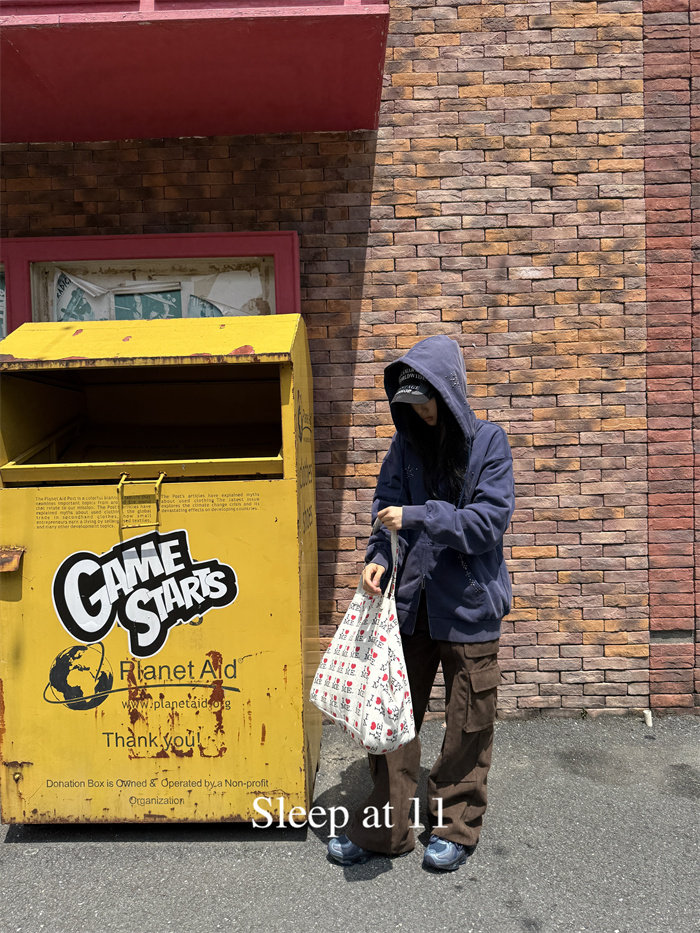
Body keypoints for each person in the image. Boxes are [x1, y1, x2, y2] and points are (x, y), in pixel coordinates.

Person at [327, 335, 515, 872]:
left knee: (468, 723)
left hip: (470, 607)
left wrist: (420, 515)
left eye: (427, 400)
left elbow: (487, 523)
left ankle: (455, 825)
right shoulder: (405, 444)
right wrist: (376, 558)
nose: (421, 412)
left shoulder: (489, 443)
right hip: (409, 608)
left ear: (449, 392)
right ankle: (386, 827)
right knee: (390, 718)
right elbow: (385, 506)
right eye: (410, 404)